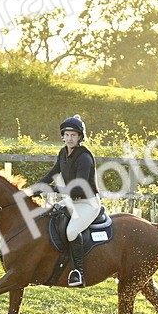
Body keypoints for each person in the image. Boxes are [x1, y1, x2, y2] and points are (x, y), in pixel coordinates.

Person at [35, 115, 101, 287]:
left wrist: (53, 189)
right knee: (49, 217)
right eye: (67, 134)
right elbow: (52, 174)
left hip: (88, 203)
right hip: (72, 201)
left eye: (73, 135)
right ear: (63, 136)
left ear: (80, 137)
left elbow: (79, 188)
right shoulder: (62, 153)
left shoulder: (85, 158)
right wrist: (36, 187)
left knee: (71, 232)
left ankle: (78, 272)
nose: (70, 138)